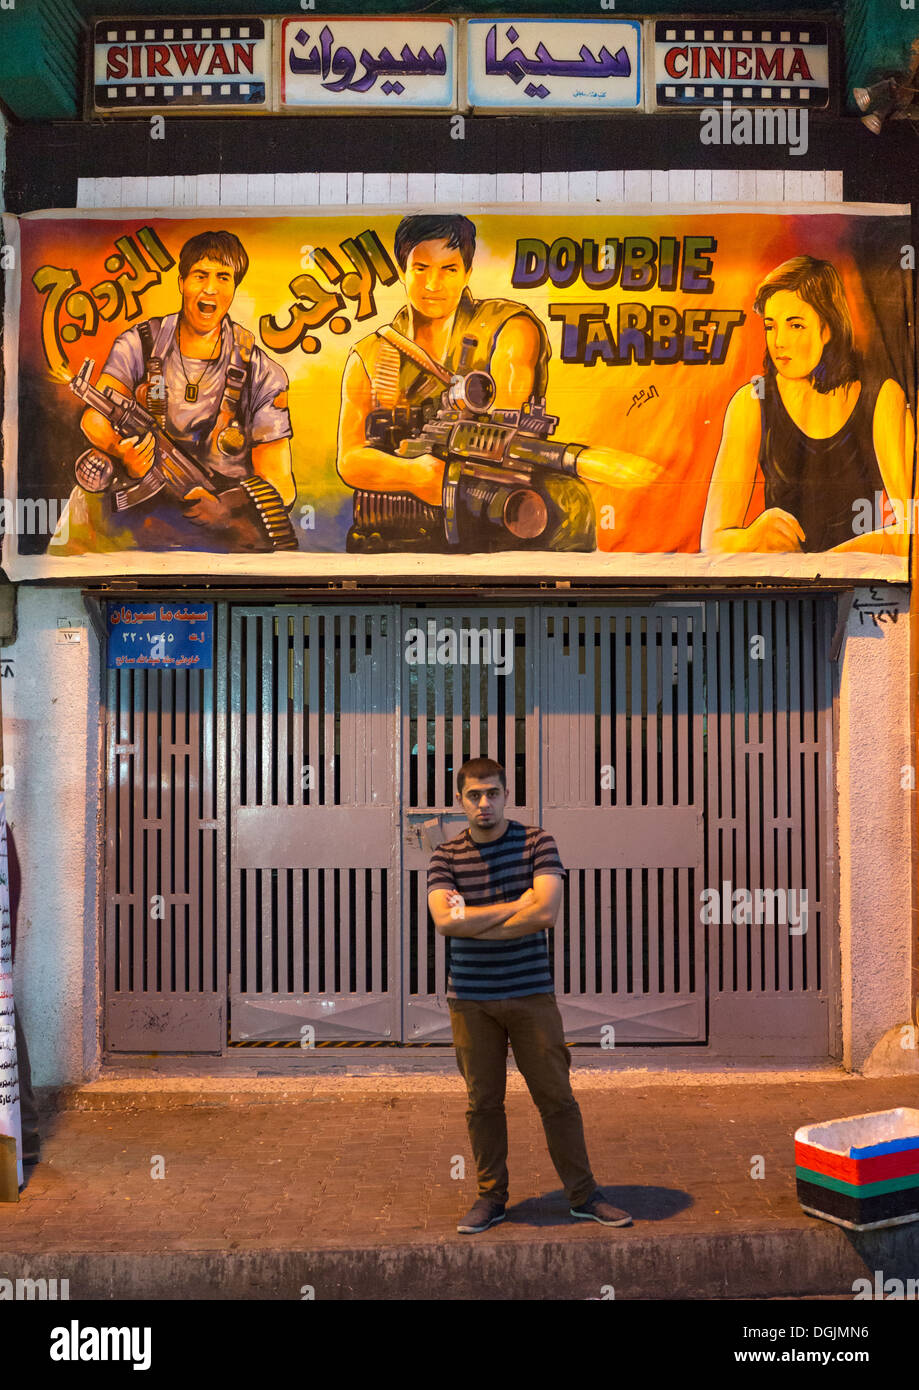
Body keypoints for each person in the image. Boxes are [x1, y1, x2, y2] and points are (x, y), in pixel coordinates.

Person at [427, 757, 632, 1233]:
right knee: (483, 1104)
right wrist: (516, 904)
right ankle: (491, 1198)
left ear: (505, 794)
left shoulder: (538, 842)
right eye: (474, 794)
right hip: (471, 1001)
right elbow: (444, 922)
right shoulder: (446, 857)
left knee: (557, 1098)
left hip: (530, 995)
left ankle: (583, 1195)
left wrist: (476, 921)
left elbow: (545, 914)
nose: (484, 803)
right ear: (460, 800)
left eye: (493, 792)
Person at [51, 229, 296, 554]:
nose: (210, 289)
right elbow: (95, 416)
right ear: (181, 282)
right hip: (137, 519)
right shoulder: (139, 343)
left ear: (234, 287)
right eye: (200, 275)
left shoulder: (262, 372)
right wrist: (122, 453)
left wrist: (225, 509)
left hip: (222, 527)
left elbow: (281, 483)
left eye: (223, 277)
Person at [335, 213, 556, 552]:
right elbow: (350, 460)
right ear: (402, 273)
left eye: (448, 270)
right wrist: (416, 476)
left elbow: (508, 437)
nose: (433, 285)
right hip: (396, 536)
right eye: (420, 269)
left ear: (467, 273)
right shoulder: (371, 354)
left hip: (497, 528)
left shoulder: (508, 328)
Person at [701, 254, 913, 555]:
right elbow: (712, 543)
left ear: (827, 329)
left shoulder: (881, 397)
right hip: (784, 591)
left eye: (795, 326)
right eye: (770, 326)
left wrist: (826, 565)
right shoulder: (751, 403)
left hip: (862, 587)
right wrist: (753, 536)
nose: (779, 342)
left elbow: (911, 530)